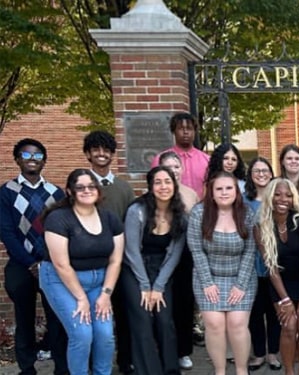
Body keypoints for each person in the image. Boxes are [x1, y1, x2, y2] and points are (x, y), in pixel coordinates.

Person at [40, 169, 125, 375]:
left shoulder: (109, 218)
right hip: (61, 281)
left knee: (105, 335)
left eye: (91, 186)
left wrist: (106, 295)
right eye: (80, 187)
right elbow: (61, 265)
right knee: (82, 334)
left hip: (99, 282)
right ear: (70, 191)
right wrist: (81, 298)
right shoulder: (58, 218)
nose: (87, 190)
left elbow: (115, 260)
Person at [0, 139, 68, 375]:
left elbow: (62, 230)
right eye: (26, 155)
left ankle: (62, 368)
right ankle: (27, 368)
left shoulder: (56, 192)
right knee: (24, 318)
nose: (32, 159)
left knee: (57, 319)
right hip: (21, 265)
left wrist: (47, 261)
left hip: (52, 264)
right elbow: (7, 232)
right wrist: (30, 263)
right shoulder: (6, 192)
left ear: (44, 161)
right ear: (17, 159)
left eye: (38, 156)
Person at [187, 171, 257, 375]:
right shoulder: (199, 213)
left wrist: (240, 284)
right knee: (214, 324)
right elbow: (196, 250)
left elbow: (251, 250)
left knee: (237, 323)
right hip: (207, 277)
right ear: (211, 191)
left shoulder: (246, 213)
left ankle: (242, 370)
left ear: (237, 191)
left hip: (240, 276)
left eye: (229, 188)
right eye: (219, 188)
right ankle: (220, 371)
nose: (224, 192)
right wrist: (207, 283)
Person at [121, 167, 187, 374]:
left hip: (162, 269)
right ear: (150, 186)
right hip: (134, 268)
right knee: (142, 318)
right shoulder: (137, 211)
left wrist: (158, 287)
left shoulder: (180, 216)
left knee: (164, 318)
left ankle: (170, 369)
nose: (163, 186)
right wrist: (144, 286)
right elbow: (131, 251)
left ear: (174, 185)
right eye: (157, 182)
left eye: (167, 181)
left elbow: (175, 254)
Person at [82, 130, 135, 374]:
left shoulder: (123, 188)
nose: (101, 154)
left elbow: (131, 223)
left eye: (106, 150)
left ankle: (126, 361)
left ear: (113, 154)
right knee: (93, 317)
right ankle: (94, 364)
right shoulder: (81, 186)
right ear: (88, 154)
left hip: (120, 262)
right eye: (96, 150)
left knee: (124, 315)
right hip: (90, 265)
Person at [255, 179, 299, 375]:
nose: (283, 199)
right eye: (278, 194)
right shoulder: (260, 226)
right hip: (279, 282)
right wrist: (285, 299)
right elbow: (271, 267)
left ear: (294, 199)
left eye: (288, 195)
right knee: (289, 325)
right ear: (270, 197)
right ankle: (289, 372)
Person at [158, 151, 200, 370]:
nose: (174, 170)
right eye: (168, 166)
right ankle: (162, 350)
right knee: (163, 306)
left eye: (177, 166)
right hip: (159, 254)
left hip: (186, 255)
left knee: (184, 304)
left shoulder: (191, 193)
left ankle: (183, 351)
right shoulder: (157, 191)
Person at [245, 157, 283, 371]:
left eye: (265, 170)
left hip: (275, 263)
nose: (261, 174)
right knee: (255, 312)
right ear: (250, 175)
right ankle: (258, 353)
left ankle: (273, 353)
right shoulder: (243, 200)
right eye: (256, 171)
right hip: (251, 263)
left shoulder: (277, 198)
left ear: (271, 173)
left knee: (274, 310)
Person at [151, 112, 210, 197]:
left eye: (189, 128)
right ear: (173, 131)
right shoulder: (161, 159)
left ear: (195, 131)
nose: (185, 132)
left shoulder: (207, 160)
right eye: (181, 128)